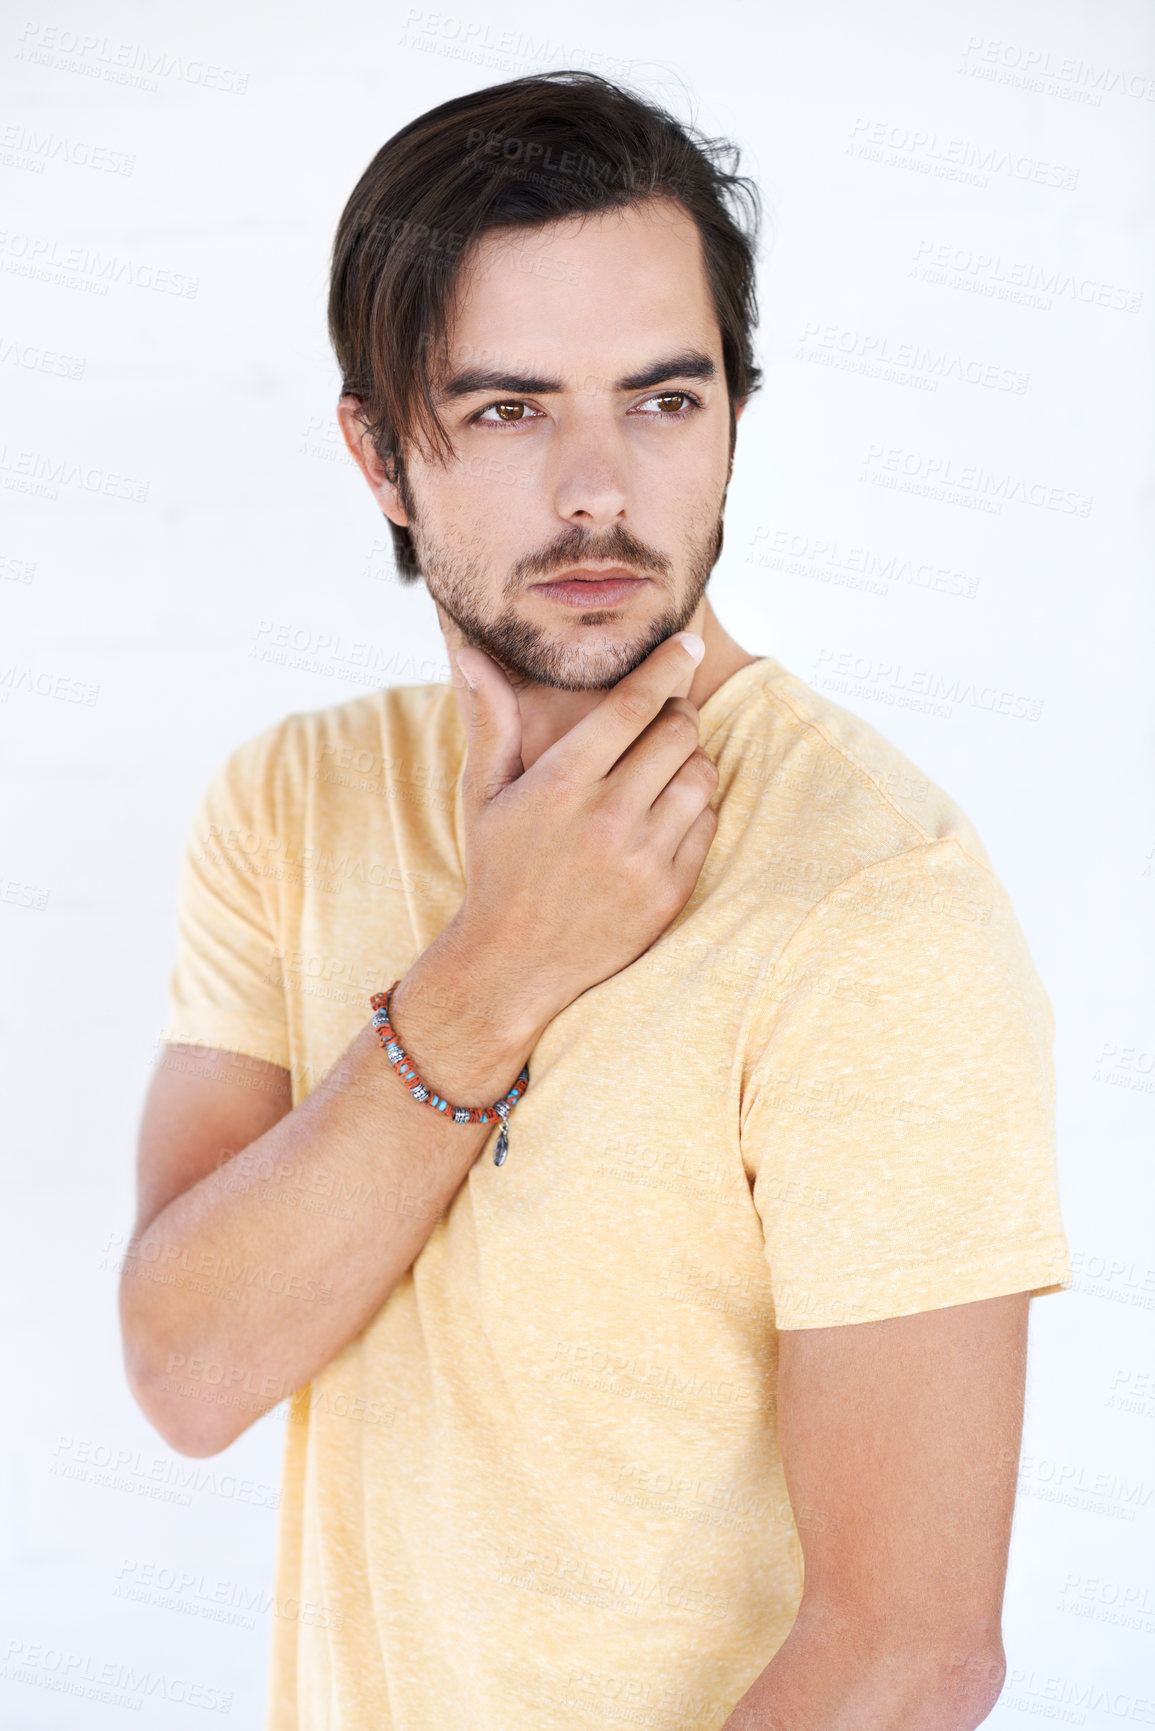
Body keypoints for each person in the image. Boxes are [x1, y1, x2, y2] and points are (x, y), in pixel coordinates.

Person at [119, 70, 1072, 1731]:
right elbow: (191, 1373)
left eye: (662, 400)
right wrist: (498, 966)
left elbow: (914, 1653)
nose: (597, 489)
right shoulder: (293, 804)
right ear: (378, 453)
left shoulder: (872, 901)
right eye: (505, 409)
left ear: (731, 420)